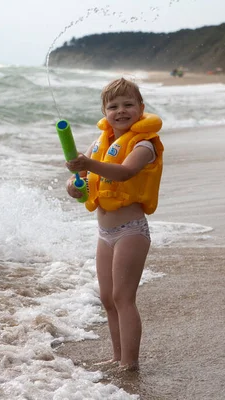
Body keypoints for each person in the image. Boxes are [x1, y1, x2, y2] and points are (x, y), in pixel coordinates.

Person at [65, 78, 164, 372]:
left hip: (131, 231)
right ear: (105, 111)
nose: (121, 111)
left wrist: (88, 164)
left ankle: (130, 362)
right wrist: (74, 184)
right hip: (104, 233)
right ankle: (117, 355)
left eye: (128, 105)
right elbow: (84, 178)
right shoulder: (100, 143)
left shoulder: (145, 145)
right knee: (108, 299)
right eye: (113, 106)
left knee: (123, 297)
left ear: (141, 108)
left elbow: (124, 172)